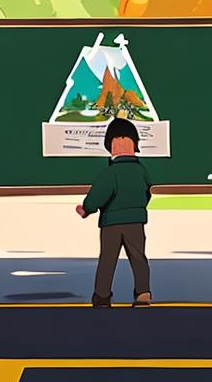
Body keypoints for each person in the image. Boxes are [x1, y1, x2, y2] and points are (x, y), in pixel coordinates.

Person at [76, 117, 153, 307]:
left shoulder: (110, 173)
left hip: (112, 223)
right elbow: (147, 192)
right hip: (136, 222)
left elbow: (98, 195)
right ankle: (143, 292)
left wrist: (87, 209)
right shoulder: (142, 170)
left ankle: (102, 295)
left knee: (108, 259)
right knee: (138, 257)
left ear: (113, 146)